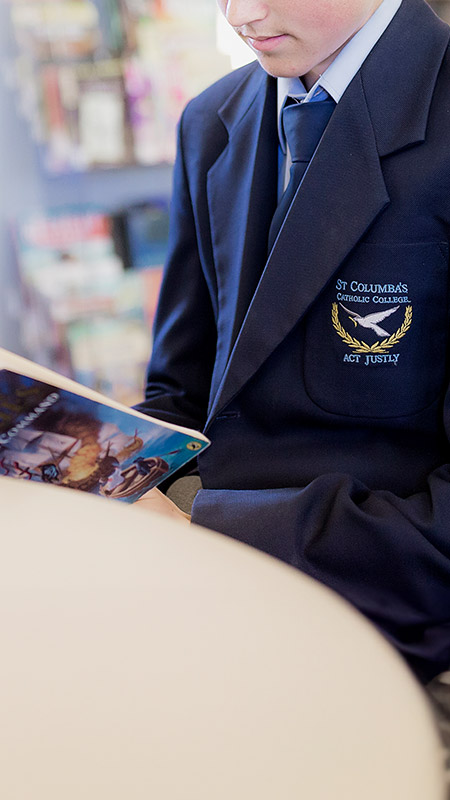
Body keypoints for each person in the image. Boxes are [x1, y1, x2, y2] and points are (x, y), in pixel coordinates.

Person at [135, 0, 450, 729]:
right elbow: (183, 387)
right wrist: (109, 463)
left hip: (388, 639)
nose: (241, 11)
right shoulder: (211, 121)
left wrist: (207, 529)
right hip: (208, 617)